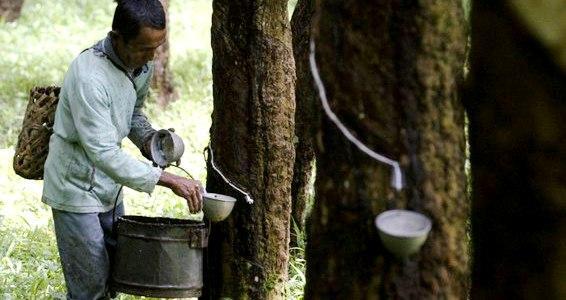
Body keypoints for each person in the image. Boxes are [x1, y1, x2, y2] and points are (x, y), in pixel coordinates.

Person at [41, 0, 203, 298]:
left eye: (158, 47)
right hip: (75, 188)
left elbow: (132, 114)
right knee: (89, 288)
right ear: (117, 38)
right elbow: (102, 151)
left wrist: (151, 140)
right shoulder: (89, 77)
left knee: (115, 276)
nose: (152, 56)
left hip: (109, 186)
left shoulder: (140, 64)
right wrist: (166, 179)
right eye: (143, 48)